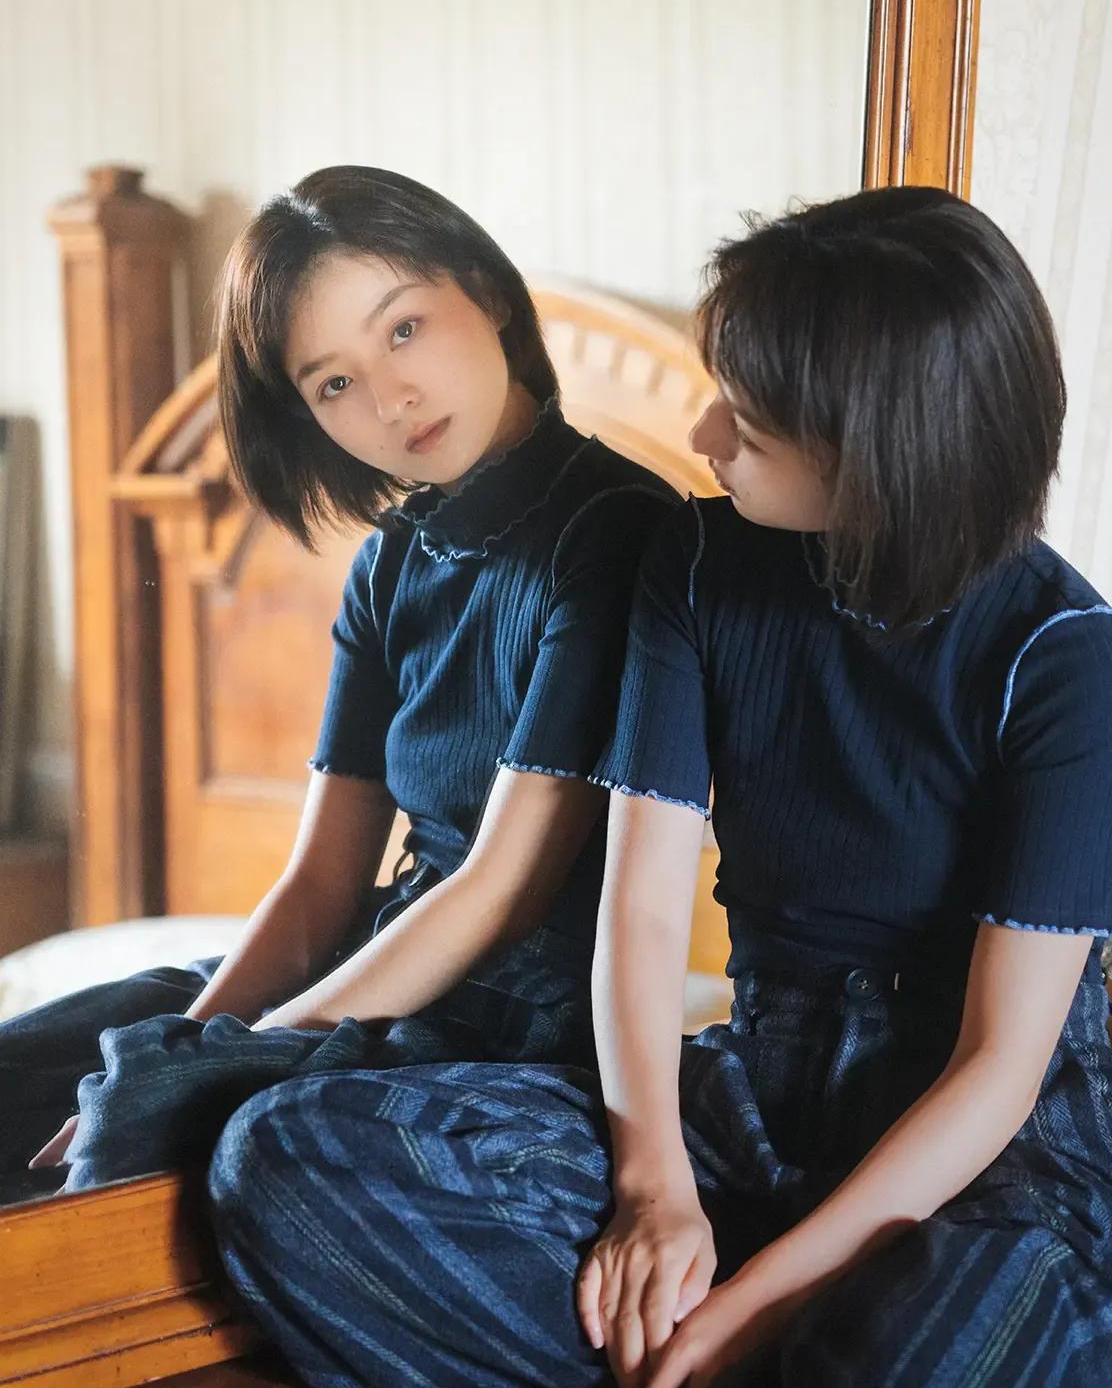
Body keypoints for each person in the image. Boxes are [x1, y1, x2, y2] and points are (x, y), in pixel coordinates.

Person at [210, 186, 1112, 1388]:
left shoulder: (1064, 652)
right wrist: (653, 1184)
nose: (704, 433)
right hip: (758, 1092)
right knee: (286, 1160)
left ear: (874, 445)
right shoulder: (695, 563)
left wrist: (745, 1309)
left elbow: (1001, 1066)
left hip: (995, 1146)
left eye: (749, 420)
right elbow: (642, 909)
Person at [0, 164, 676, 1201]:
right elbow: (322, 883)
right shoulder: (392, 561)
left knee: (171, 1134)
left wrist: (220, 1068)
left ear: (486, 292)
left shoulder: (620, 532)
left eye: (403, 328)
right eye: (333, 384)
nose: (391, 397)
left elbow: (501, 891)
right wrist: (190, 1043)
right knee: (33, 1068)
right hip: (377, 965)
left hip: (514, 1019)